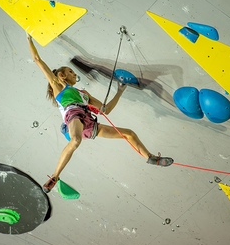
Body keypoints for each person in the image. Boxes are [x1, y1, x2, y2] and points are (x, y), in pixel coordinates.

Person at [27, 33, 174, 193]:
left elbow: (106, 110)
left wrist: (120, 91)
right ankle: (55, 176)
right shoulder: (58, 86)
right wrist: (29, 39)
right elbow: (37, 60)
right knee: (76, 140)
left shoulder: (84, 94)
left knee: (129, 134)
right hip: (73, 115)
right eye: (70, 71)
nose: (75, 74)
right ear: (62, 76)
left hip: (88, 122)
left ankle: (151, 158)